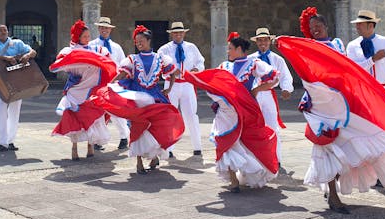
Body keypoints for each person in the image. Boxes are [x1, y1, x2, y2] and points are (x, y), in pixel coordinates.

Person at [276, 36, 385, 214]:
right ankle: (333, 195)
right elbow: (300, 65)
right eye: (313, 25)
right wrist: (284, 44)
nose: (316, 29)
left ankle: (331, 190)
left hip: (341, 105)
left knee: (347, 151)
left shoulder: (337, 46)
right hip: (321, 108)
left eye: (319, 25)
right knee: (329, 151)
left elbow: (349, 71)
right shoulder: (313, 62)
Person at [184, 67, 278, 192]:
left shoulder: (253, 62)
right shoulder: (224, 66)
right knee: (230, 144)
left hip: (242, 110)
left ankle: (239, 177)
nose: (228, 51)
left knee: (230, 144)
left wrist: (255, 90)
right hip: (228, 111)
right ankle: (237, 177)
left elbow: (274, 78)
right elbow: (212, 80)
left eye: (230, 48)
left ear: (239, 49)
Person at [109, 25, 183, 174]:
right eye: (136, 41)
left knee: (156, 126)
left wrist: (169, 88)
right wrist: (110, 84)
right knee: (137, 127)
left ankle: (154, 155)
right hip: (137, 97)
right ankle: (139, 162)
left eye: (141, 40)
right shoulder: (132, 59)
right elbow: (123, 75)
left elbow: (174, 71)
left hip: (155, 96)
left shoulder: (160, 57)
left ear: (149, 40)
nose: (138, 43)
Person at [51, 20, 114, 160]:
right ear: (78, 37)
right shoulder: (70, 51)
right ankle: (74, 147)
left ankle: (90, 145)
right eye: (84, 36)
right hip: (76, 90)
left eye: (88, 36)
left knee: (93, 117)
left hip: (92, 90)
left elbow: (108, 61)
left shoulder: (96, 50)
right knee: (74, 118)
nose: (87, 38)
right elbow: (60, 64)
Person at [0, 24, 37, 152]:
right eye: (0, 31)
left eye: (5, 30)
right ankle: (2, 143)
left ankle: (10, 141)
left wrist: (27, 56)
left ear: (8, 32)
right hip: (1, 81)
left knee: (14, 113)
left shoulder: (17, 43)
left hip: (16, 81)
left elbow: (33, 52)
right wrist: (5, 58)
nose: (3, 32)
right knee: (1, 112)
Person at [157, 21, 205, 157]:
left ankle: (197, 146)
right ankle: (169, 148)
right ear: (171, 34)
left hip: (187, 84)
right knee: (170, 115)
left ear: (184, 33)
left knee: (191, 114)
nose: (178, 35)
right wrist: (170, 72)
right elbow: (160, 66)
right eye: (175, 32)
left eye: (180, 32)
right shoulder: (164, 49)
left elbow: (200, 61)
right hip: (171, 85)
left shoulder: (191, 47)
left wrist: (197, 69)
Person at [248, 27, 292, 163]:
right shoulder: (250, 59)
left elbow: (285, 75)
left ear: (269, 41)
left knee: (273, 125)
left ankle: (276, 158)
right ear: (256, 42)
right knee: (254, 126)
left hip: (268, 94)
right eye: (260, 41)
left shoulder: (277, 59)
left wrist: (286, 89)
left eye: (265, 40)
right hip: (254, 95)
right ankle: (256, 157)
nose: (262, 43)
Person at [89, 16, 129, 150]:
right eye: (102, 27)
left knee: (116, 110)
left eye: (106, 28)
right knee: (97, 112)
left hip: (114, 83)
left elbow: (123, 64)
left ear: (110, 30)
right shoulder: (92, 45)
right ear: (98, 29)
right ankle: (98, 140)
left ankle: (124, 137)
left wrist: (122, 81)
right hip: (98, 82)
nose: (104, 30)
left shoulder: (116, 47)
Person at [346, 10, 385, 96]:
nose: (357, 26)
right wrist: (373, 59)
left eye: (360, 24)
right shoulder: (352, 46)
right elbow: (353, 68)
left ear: (370, 25)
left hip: (384, 91)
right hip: (363, 92)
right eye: (357, 24)